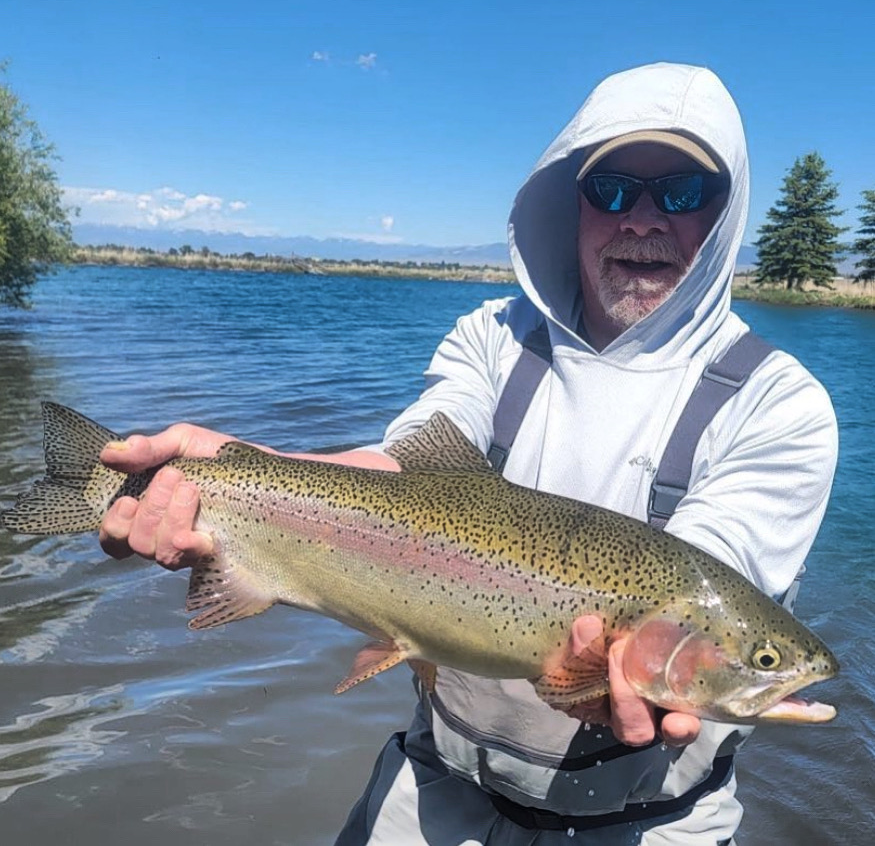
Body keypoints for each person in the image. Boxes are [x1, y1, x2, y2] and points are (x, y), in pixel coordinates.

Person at [98, 62, 838, 844]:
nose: (640, 219)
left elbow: (699, 575)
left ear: (725, 212)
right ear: (571, 202)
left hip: (654, 823)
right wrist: (238, 467)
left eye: (682, 192)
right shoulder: (492, 336)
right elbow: (399, 475)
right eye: (613, 189)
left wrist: (663, 665)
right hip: (435, 785)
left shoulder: (777, 402)